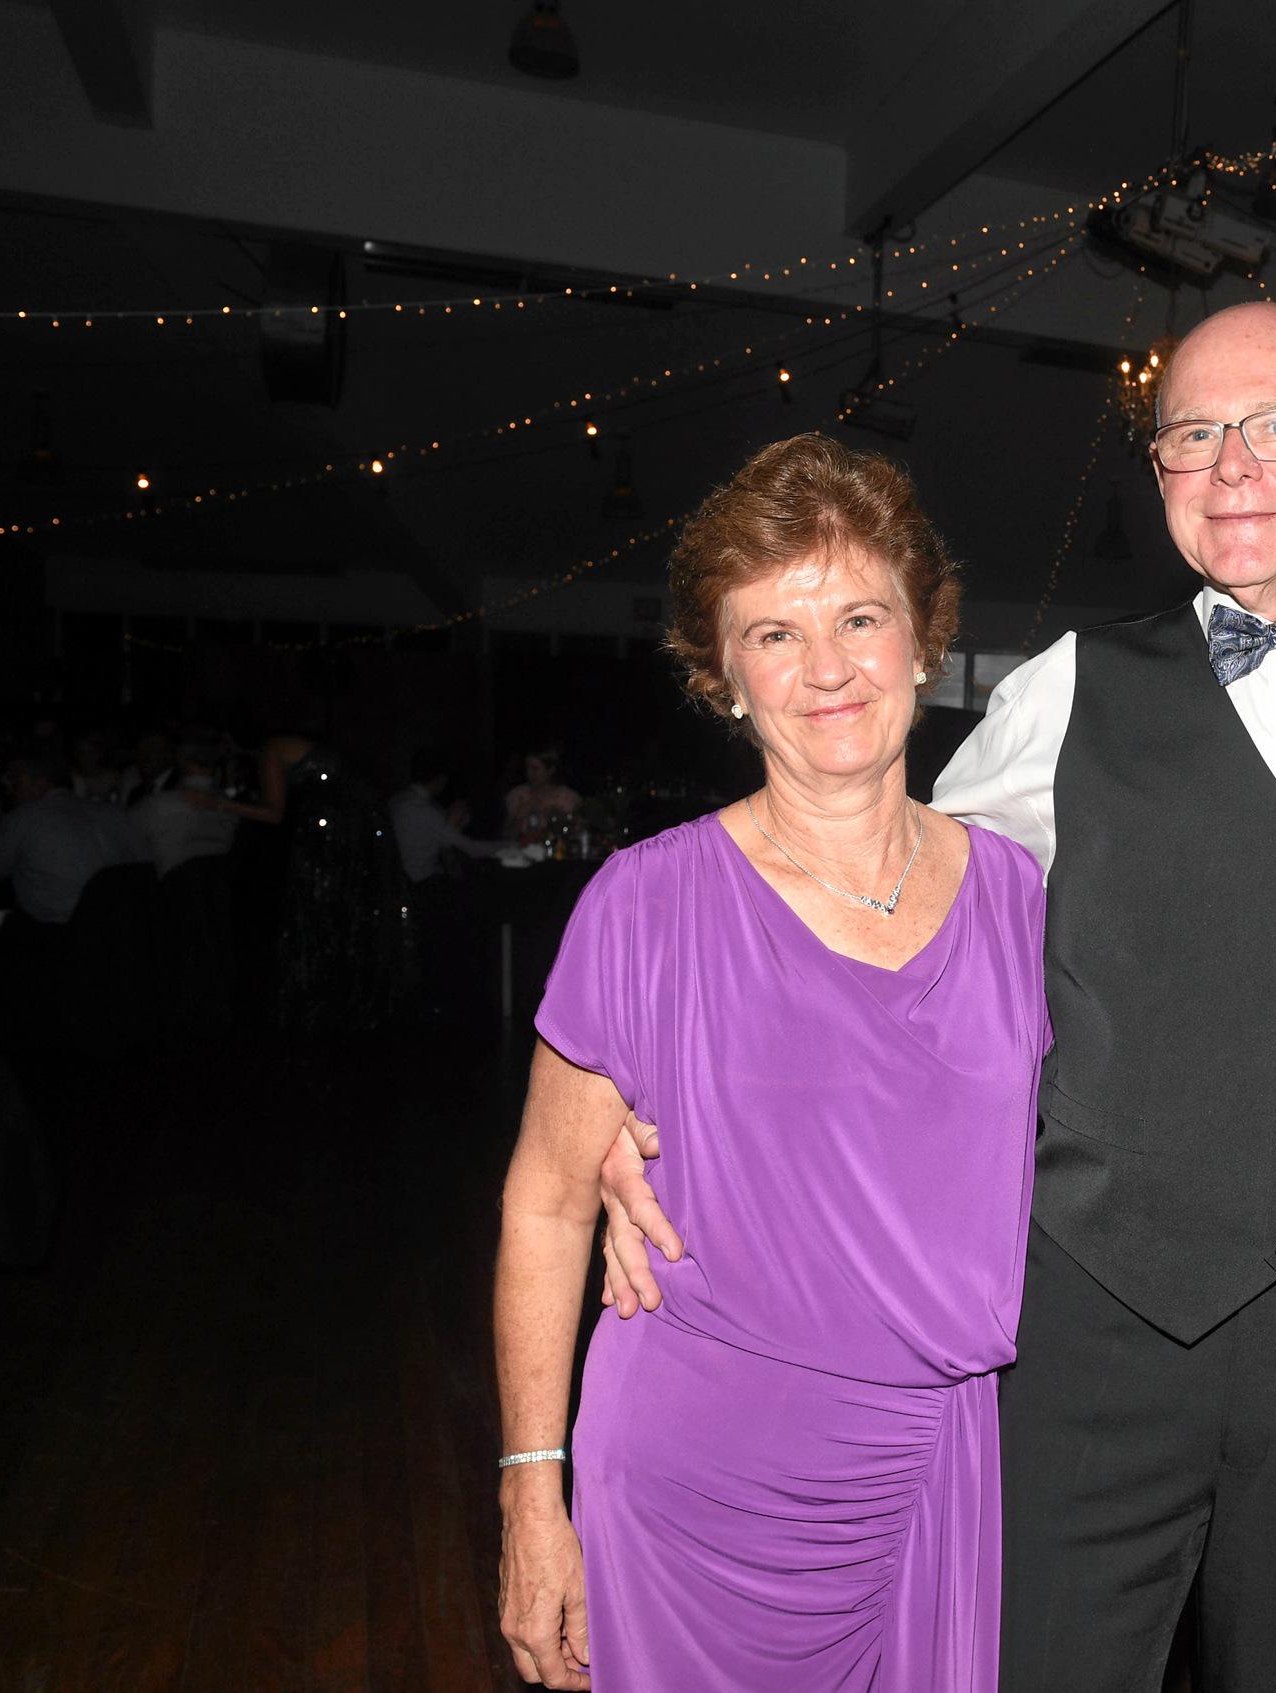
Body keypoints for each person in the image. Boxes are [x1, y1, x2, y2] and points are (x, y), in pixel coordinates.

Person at [601, 299, 1276, 1690]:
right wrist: (651, 1113)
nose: (1232, 466)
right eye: (1191, 437)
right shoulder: (1061, 693)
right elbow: (878, 945)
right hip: (1094, 1319)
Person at [493, 433, 1047, 1693]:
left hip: (929, 1466)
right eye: (775, 634)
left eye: (860, 616)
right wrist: (534, 1497)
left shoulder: (1017, 895)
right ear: (723, 675)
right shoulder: (643, 905)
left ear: (923, 640)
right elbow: (544, 1198)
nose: (828, 668)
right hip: (696, 1484)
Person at [0, 748, 151, 924]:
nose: (10, 791)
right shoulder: (112, 812)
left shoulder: (25, 817)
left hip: (61, 931)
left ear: (40, 783)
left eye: (16, 783)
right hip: (125, 922)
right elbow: (145, 864)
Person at [130, 733, 239, 878]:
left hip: (168, 894)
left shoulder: (156, 806)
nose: (146, 755)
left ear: (177, 758)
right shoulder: (234, 808)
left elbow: (119, 837)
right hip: (219, 894)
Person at [389, 752, 504, 883]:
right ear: (441, 778)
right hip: (420, 882)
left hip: (401, 876)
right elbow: (471, 849)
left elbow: (442, 832)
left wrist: (454, 822)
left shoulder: (398, 798)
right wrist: (514, 845)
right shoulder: (424, 809)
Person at [504, 746, 583, 845]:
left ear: (550, 770)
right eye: (527, 767)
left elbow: (578, 834)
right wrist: (520, 815)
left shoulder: (568, 798)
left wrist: (559, 820)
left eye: (535, 769)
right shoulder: (517, 795)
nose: (529, 773)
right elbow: (506, 835)